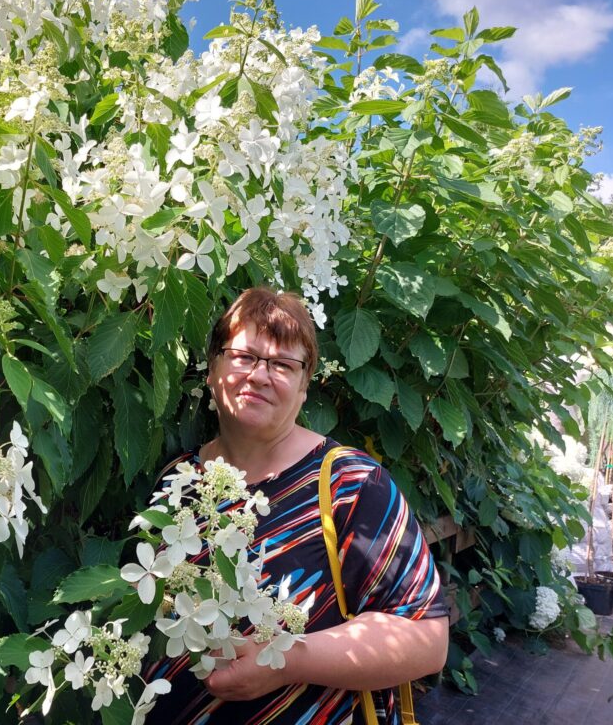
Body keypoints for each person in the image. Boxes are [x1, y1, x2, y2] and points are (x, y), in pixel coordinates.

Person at [143, 287, 449, 725]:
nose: (260, 375)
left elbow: (426, 637)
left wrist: (284, 660)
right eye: (243, 356)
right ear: (212, 370)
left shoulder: (353, 487)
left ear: (305, 388)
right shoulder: (177, 481)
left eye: (283, 365)